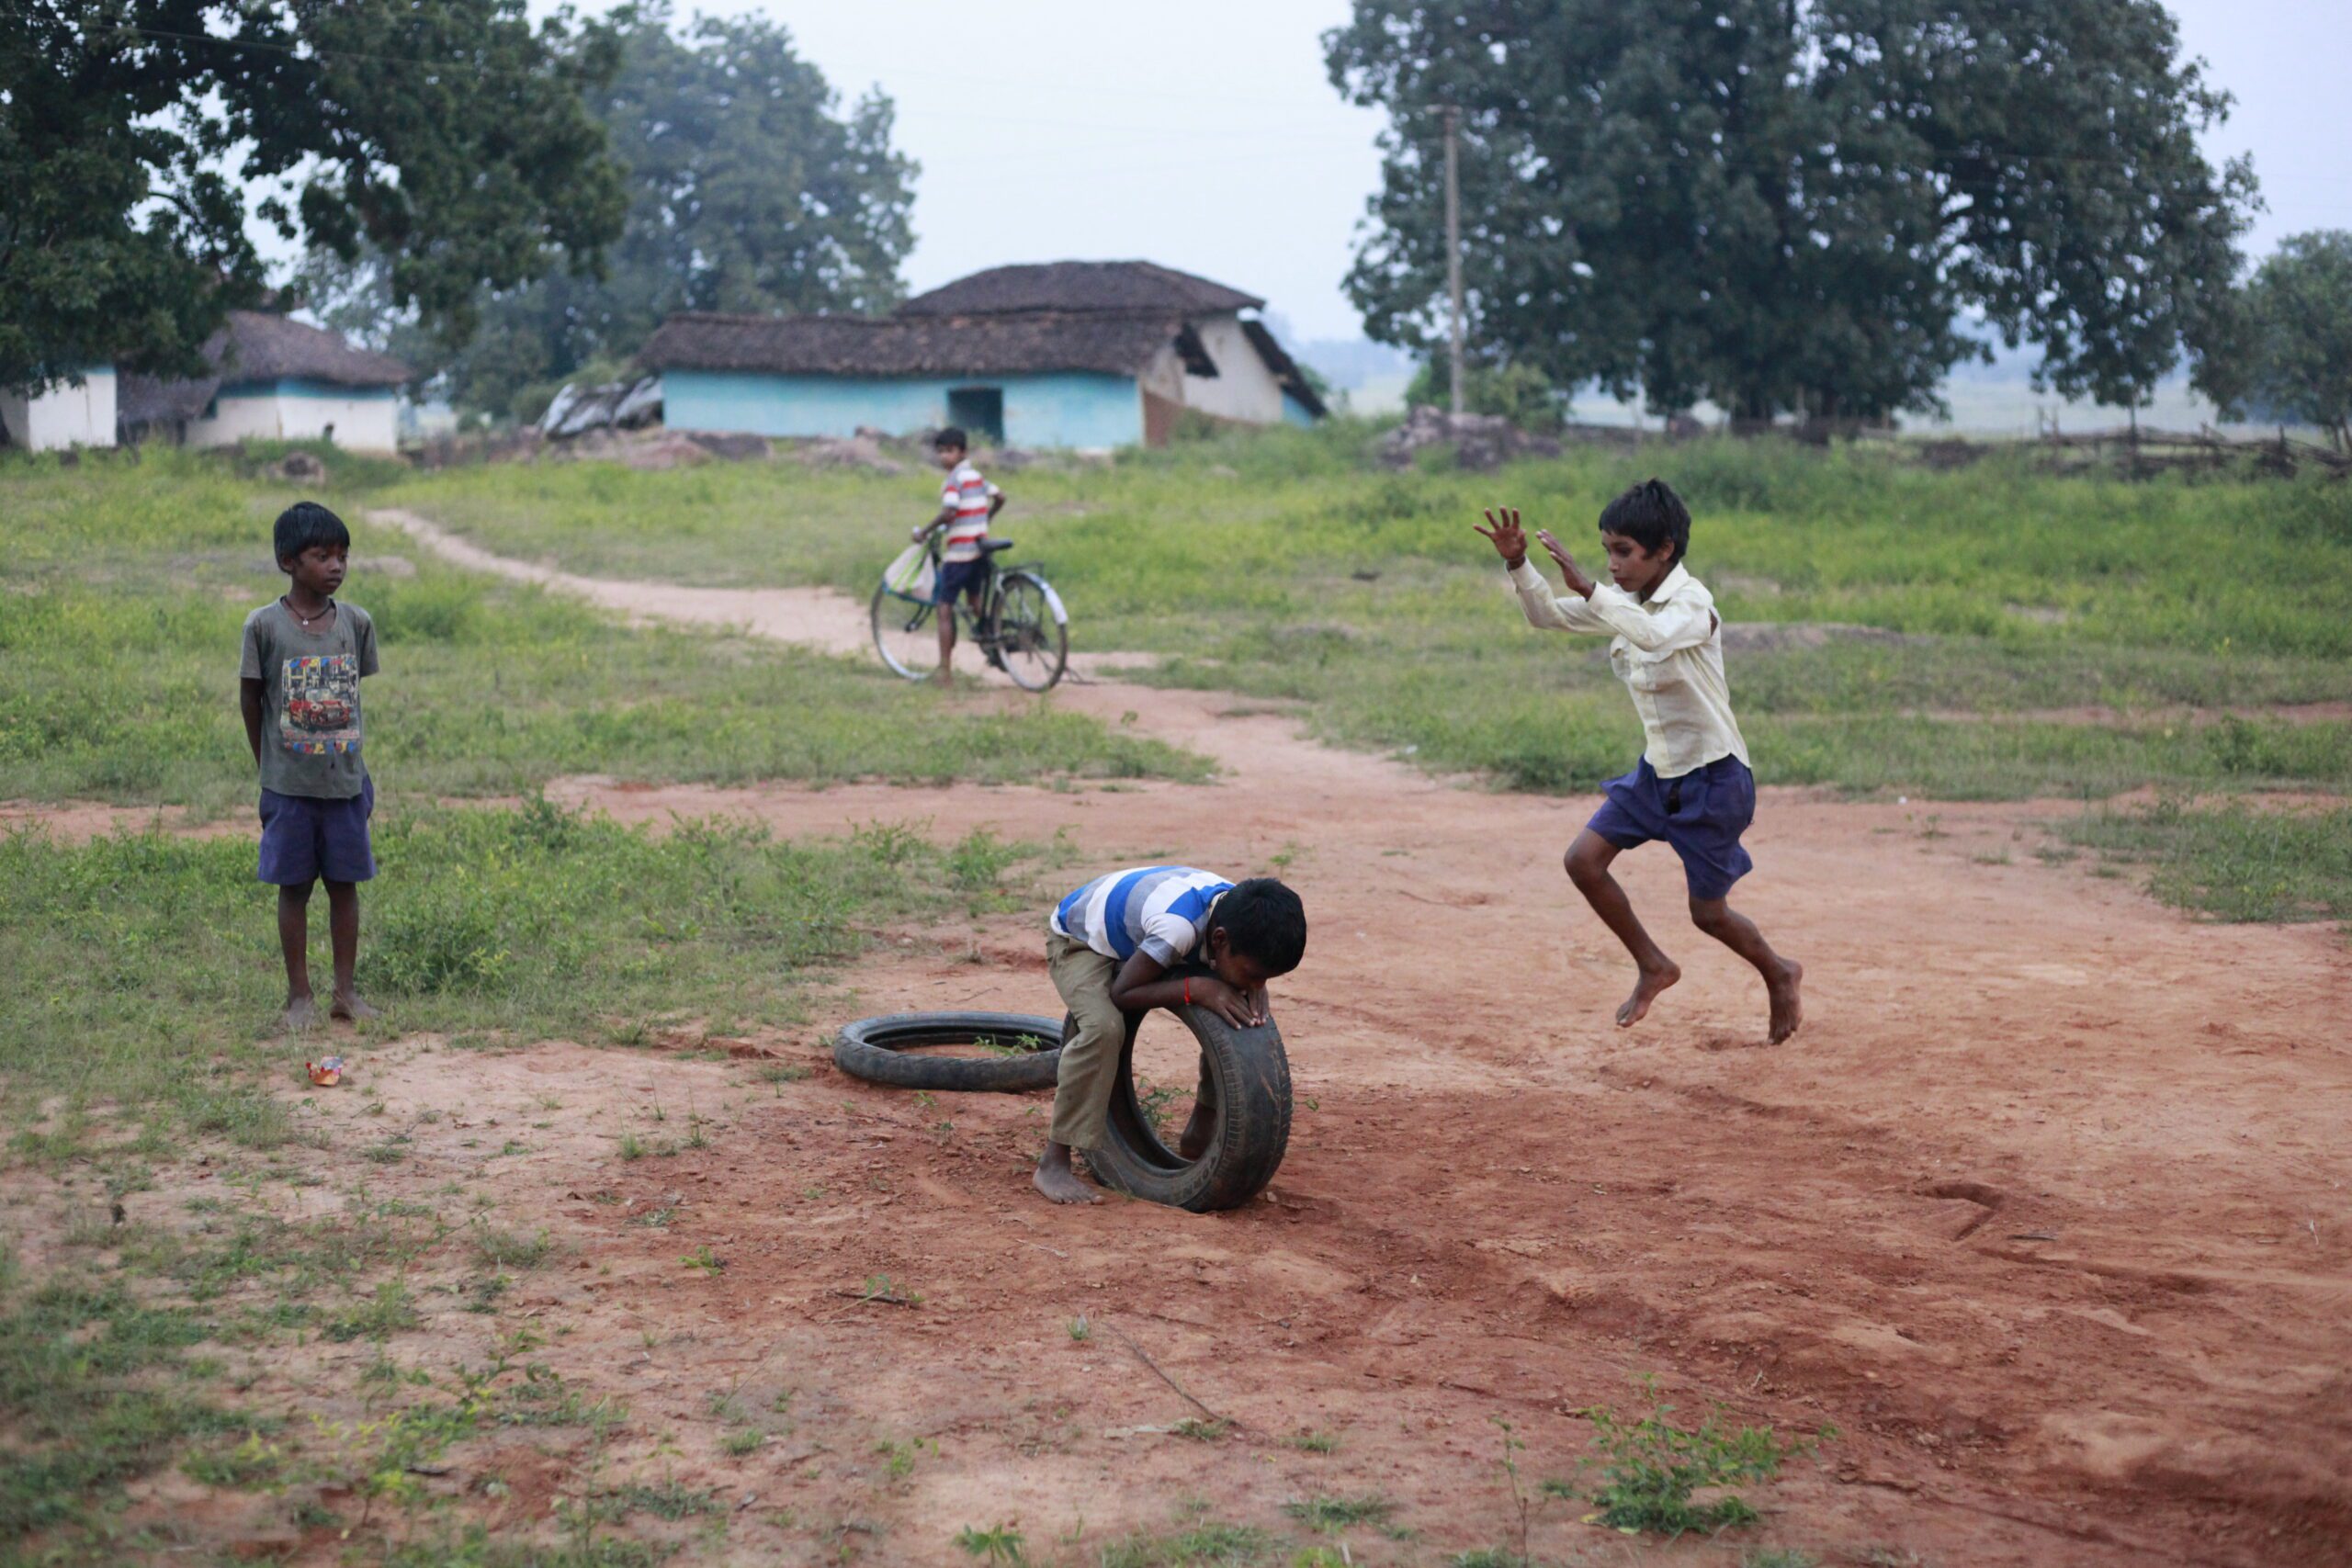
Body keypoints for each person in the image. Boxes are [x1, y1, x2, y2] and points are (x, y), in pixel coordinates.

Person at [1475, 479, 1803, 1043]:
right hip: (1656, 774)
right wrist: (1519, 564)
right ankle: (1654, 964)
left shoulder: (1693, 604)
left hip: (1714, 779)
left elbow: (1652, 638)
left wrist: (1591, 588)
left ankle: (1779, 971)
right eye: (1607, 551)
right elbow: (1548, 616)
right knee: (1582, 861)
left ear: (1665, 550)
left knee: (1709, 914)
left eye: (1623, 551)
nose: (1613, 564)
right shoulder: (1624, 603)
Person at [1035, 868, 1307, 1205]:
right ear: (1219, 940)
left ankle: (1202, 1127)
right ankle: (1054, 1160)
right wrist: (1195, 988)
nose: (1256, 985)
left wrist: (1250, 983)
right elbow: (1122, 994)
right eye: (1254, 973)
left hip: (1144, 933)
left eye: (1268, 978)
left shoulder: (1245, 916)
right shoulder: (1177, 929)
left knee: (1229, 1003)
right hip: (1082, 940)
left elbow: (1238, 975)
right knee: (1103, 1028)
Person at [239, 502, 381, 1033]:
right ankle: (299, 997)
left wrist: (359, 772)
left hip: (344, 786)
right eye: (322, 555)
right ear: (288, 562)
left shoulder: (357, 623)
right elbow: (251, 701)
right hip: (289, 790)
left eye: (342, 555)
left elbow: (351, 700)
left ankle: (345, 992)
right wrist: (268, 768)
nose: (336, 566)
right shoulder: (264, 627)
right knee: (293, 888)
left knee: (345, 887)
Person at [914, 426, 1007, 685]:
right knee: (976, 604)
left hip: (959, 555)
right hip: (979, 549)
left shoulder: (954, 480)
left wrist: (925, 531)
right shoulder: (976, 476)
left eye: (950, 451)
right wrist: (984, 520)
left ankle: (944, 673)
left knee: (944, 609)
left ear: (962, 452)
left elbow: (949, 512)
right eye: (941, 452)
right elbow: (1000, 497)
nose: (945, 457)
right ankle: (992, 644)